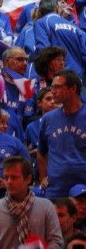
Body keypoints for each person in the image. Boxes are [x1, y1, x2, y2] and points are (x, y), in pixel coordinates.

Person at [0, 156, 63, 247]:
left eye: (14, 177)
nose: (9, 182)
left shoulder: (46, 206)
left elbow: (56, 241)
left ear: (28, 179)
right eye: (6, 177)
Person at [38, 69, 86, 198]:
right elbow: (41, 152)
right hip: (56, 190)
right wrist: (43, 177)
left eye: (58, 87)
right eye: (52, 87)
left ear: (73, 88)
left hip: (83, 190)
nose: (53, 91)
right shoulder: (48, 119)